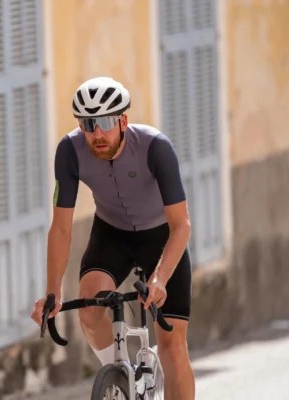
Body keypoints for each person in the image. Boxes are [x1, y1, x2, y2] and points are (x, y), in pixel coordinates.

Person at [31, 77, 195, 399]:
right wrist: (52, 291)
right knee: (89, 309)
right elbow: (61, 227)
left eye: (105, 123)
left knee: (172, 344)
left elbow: (181, 225)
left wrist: (160, 279)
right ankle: (121, 378)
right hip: (112, 234)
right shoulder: (70, 151)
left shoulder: (155, 147)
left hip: (161, 237)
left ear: (123, 121)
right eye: (87, 124)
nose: (97, 134)